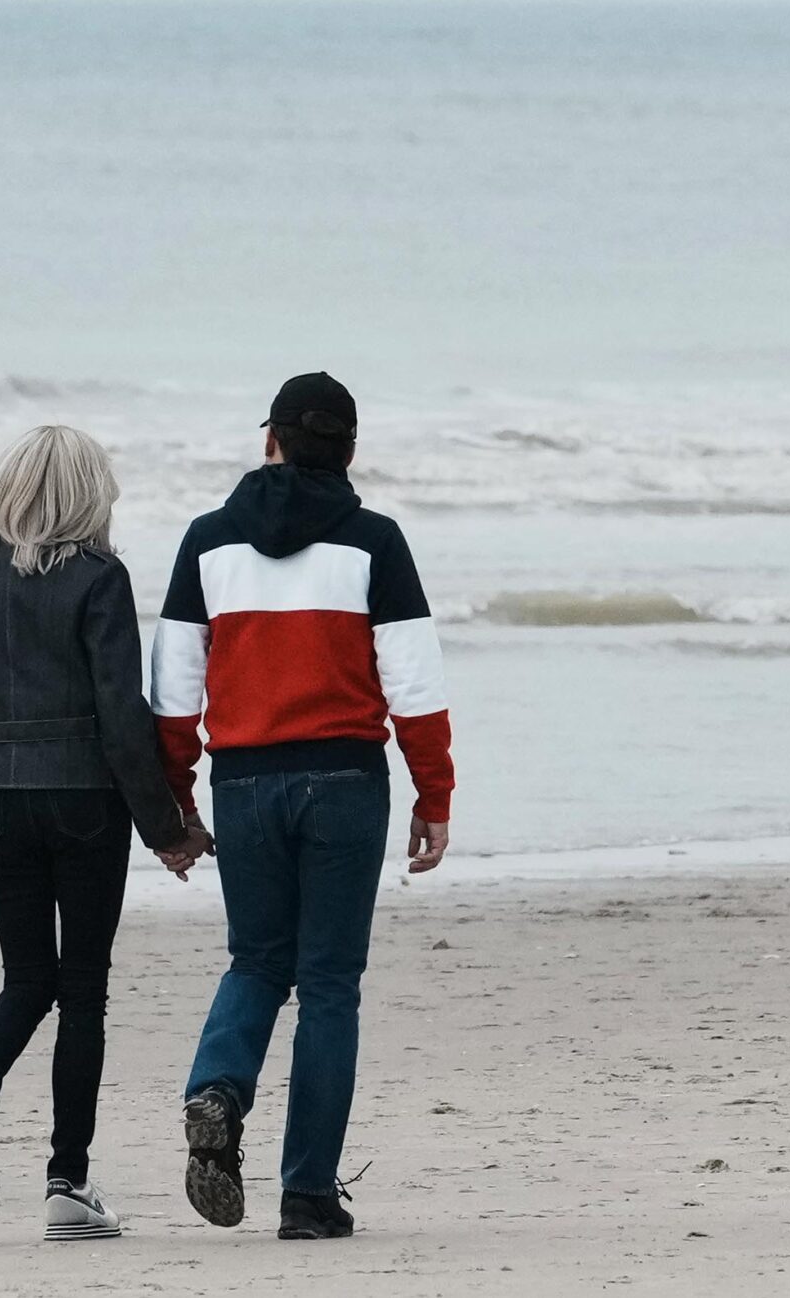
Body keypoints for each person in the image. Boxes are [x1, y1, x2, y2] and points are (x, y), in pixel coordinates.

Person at [152, 372, 456, 1241]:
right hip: (346, 781)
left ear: (270, 441)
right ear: (350, 451)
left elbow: (172, 691)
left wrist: (176, 798)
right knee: (328, 986)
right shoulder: (376, 542)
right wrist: (434, 792)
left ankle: (216, 1087)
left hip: (242, 783)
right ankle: (309, 1196)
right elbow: (415, 683)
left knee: (256, 963)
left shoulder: (207, 544)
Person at [0, 425, 212, 1241]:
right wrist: (167, 826)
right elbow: (124, 718)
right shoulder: (99, 578)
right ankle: (68, 1185)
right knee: (81, 989)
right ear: (87, 496)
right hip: (84, 801)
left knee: (27, 979)